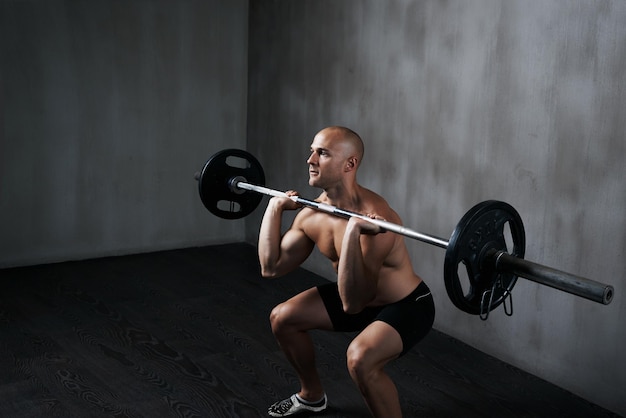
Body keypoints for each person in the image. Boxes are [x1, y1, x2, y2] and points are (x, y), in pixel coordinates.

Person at [258, 126, 435, 418]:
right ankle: (312, 397)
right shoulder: (311, 214)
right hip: (353, 293)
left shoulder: (380, 217)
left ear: (349, 164)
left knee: (360, 359)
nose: (310, 159)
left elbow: (354, 304)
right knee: (282, 318)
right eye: (312, 150)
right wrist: (274, 208)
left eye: (322, 153)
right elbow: (271, 267)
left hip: (405, 304)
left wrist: (353, 231)